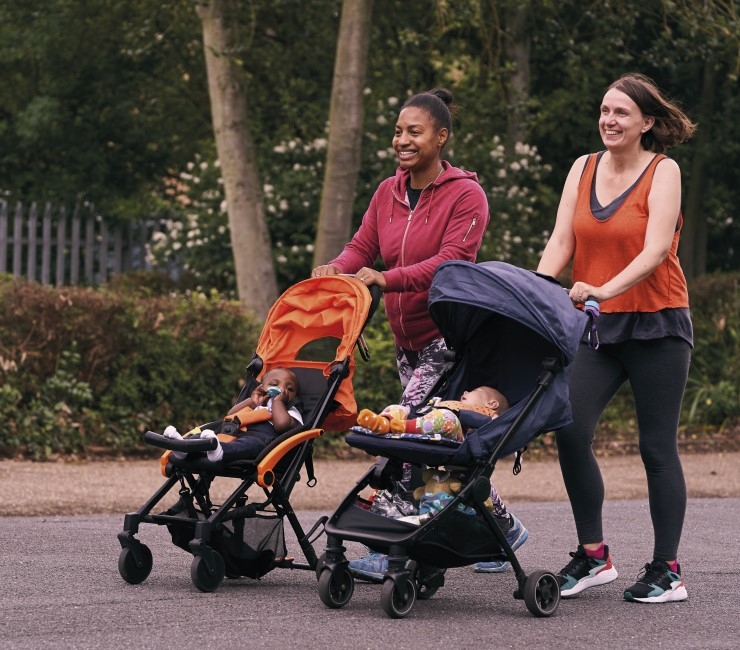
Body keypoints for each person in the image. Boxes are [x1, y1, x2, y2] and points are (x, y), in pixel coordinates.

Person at [312, 87, 526, 577]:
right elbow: (362, 246)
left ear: (441, 137)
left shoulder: (466, 195)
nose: (402, 141)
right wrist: (336, 270)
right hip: (404, 339)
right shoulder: (387, 192)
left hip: (447, 335)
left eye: (414, 131)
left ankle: (397, 548)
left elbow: (451, 265)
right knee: (433, 443)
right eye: (397, 131)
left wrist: (384, 279)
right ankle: (501, 526)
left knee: (406, 432)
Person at [536, 72, 697, 603]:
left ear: (647, 123)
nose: (609, 120)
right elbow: (562, 240)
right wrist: (534, 295)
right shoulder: (582, 169)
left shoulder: (664, 171)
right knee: (570, 428)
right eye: (604, 110)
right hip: (598, 327)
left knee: (655, 448)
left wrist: (601, 288)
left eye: (621, 112)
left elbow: (654, 253)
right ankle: (594, 555)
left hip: (657, 324)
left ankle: (667, 570)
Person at [163, 367, 302, 463]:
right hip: (235, 432)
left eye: (290, 389)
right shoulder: (259, 405)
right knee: (208, 433)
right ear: (262, 387)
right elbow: (231, 415)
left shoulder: (291, 411)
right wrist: (252, 402)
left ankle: (220, 451)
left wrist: (278, 402)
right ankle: (183, 447)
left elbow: (282, 425)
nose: (282, 389)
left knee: (247, 445)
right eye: (274, 384)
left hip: (261, 442)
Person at [356, 385, 510, 441]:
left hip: (457, 434)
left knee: (447, 418)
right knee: (399, 408)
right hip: (424, 420)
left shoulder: (491, 418)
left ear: (491, 404)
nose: (465, 391)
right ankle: (383, 423)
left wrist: (495, 421)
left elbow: (496, 429)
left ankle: (401, 426)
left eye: (475, 391)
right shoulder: (452, 404)